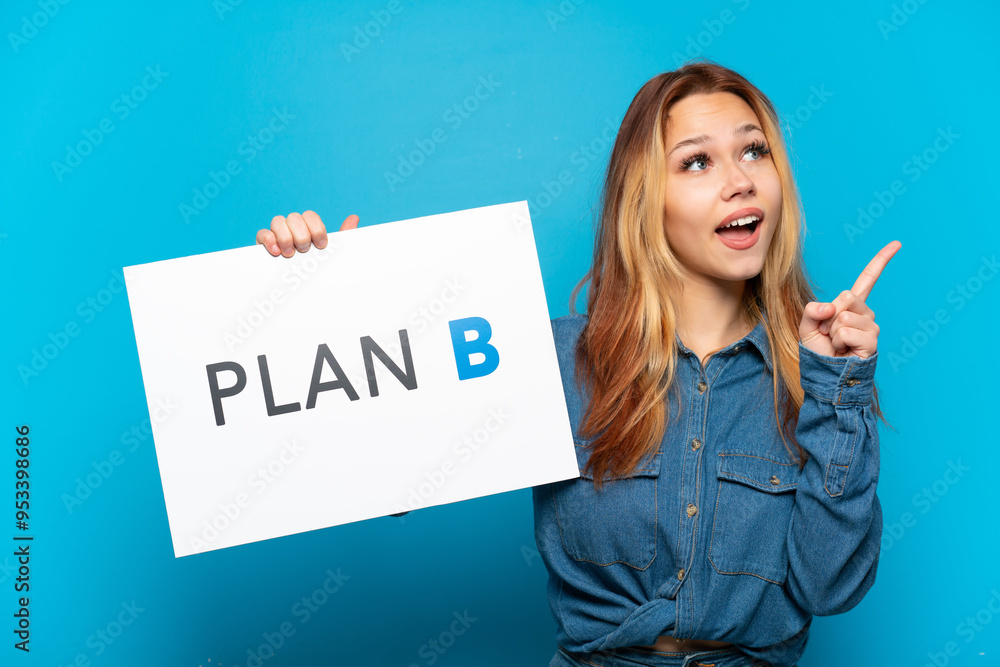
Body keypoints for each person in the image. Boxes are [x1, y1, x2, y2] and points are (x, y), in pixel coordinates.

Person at [254, 59, 899, 667]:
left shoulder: (817, 374)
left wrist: (836, 391)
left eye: (754, 151)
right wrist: (335, 305)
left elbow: (831, 586)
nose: (740, 180)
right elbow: (390, 482)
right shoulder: (552, 361)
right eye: (697, 161)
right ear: (646, 198)